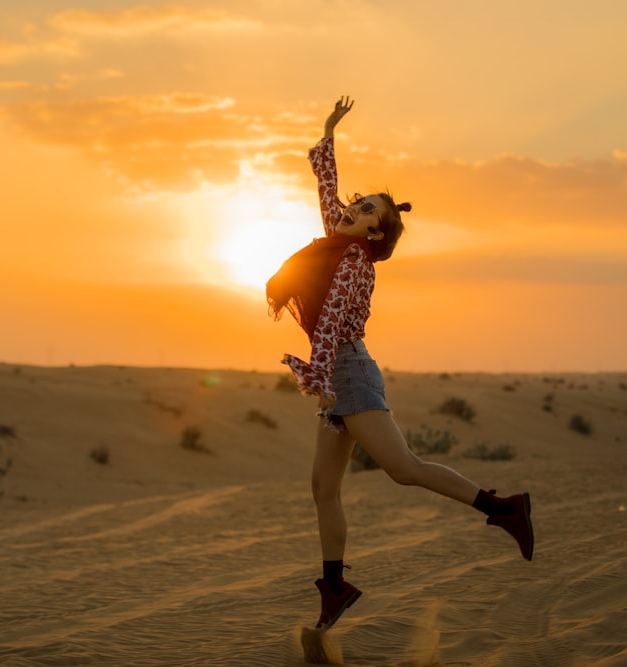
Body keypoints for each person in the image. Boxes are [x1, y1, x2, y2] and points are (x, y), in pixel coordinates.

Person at [266, 97, 534, 631]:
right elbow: (326, 191)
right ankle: (335, 587)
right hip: (337, 374)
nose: (354, 208)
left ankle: (505, 510)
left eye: (368, 212)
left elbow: (333, 326)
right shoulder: (335, 242)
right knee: (324, 488)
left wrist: (320, 382)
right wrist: (328, 132)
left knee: (403, 469)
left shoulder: (352, 265)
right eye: (358, 201)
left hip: (346, 371)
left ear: (375, 234)